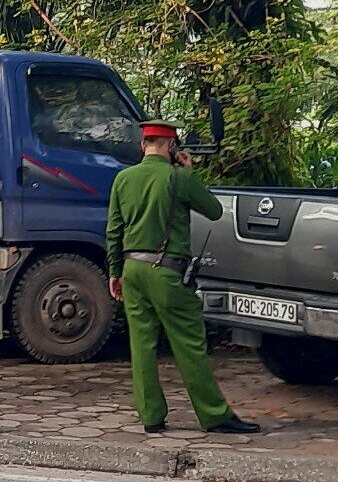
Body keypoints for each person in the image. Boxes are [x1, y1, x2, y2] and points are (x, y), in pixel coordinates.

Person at [106, 120, 259, 435]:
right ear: (171, 147)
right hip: (167, 272)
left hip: (132, 270)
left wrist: (114, 272)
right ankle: (215, 415)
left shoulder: (123, 179)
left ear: (142, 145)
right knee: (189, 343)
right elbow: (215, 211)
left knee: (142, 344)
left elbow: (114, 231)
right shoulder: (179, 178)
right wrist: (188, 172)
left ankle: (151, 417)